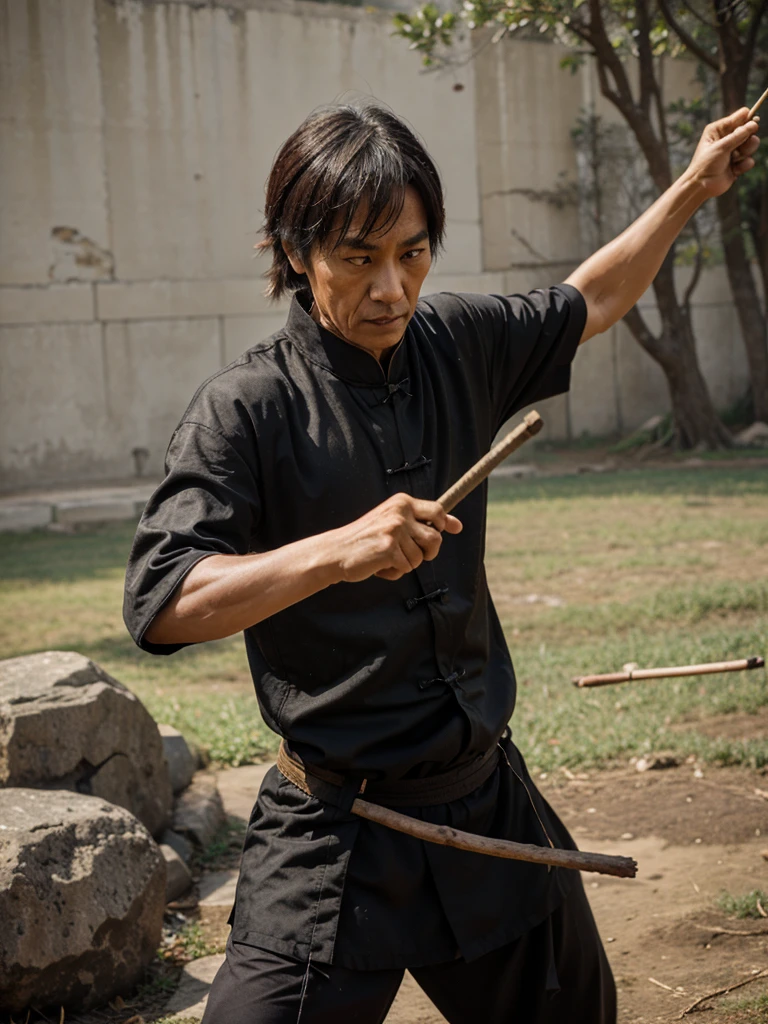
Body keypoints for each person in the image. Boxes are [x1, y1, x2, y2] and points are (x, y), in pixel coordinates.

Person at [123, 103, 759, 1023]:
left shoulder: (459, 344)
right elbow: (165, 603)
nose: (392, 288)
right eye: (359, 257)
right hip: (334, 830)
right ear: (296, 252)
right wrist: (335, 553)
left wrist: (694, 186)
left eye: (413, 254)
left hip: (483, 805)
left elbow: (595, 298)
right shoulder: (246, 409)